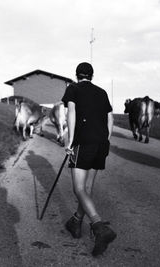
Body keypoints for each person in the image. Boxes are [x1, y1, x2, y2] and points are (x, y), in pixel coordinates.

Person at [61, 62, 116, 257]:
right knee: (88, 188)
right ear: (91, 76)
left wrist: (70, 141)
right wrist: (105, 139)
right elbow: (110, 119)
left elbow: (72, 114)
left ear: (77, 75)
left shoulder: (73, 89)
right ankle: (76, 222)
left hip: (82, 143)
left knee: (78, 188)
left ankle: (99, 226)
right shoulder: (102, 92)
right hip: (101, 144)